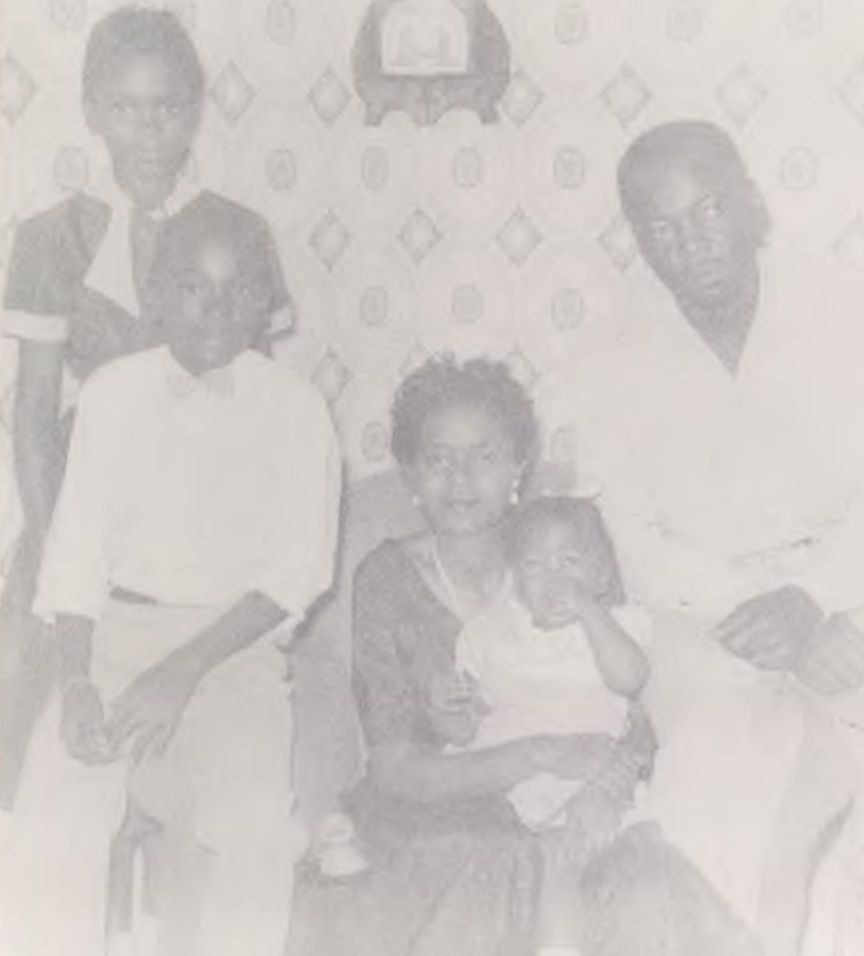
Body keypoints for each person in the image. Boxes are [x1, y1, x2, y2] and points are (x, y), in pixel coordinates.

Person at [551, 119, 864, 955]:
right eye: (660, 228)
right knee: (714, 790)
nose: (690, 244)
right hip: (704, 617)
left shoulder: (844, 306)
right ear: (637, 240)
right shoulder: (609, 352)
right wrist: (766, 616)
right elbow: (634, 539)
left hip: (855, 600)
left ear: (750, 205)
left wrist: (813, 603)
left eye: (708, 211)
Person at [296, 355, 759, 956]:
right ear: (409, 473)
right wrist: (537, 753)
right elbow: (395, 766)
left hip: (578, 795)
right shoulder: (386, 577)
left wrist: (605, 788)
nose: (461, 478)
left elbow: (629, 700)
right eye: (438, 459)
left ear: (519, 465)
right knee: (497, 863)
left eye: (484, 456)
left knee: (653, 887)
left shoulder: (567, 552)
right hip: (437, 814)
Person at [0, 194, 341, 956]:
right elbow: (75, 554)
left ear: (266, 301)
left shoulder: (295, 410)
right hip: (112, 639)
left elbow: (295, 573)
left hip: (234, 650)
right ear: (153, 294)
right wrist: (77, 680)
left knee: (255, 825)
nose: (214, 310)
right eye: (191, 286)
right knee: (51, 815)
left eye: (237, 290)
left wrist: (179, 674)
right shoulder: (112, 395)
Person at [0, 5, 295, 811]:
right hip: (82, 500)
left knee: (210, 713)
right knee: (33, 693)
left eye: (167, 106)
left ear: (194, 109)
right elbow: (33, 417)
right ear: (92, 112)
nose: (149, 130)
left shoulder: (236, 232)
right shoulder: (50, 237)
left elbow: (259, 404)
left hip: (200, 501)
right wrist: (50, 543)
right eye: (126, 108)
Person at [452, 495, 653, 956]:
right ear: (515, 578)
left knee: (561, 868)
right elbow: (466, 724)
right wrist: (449, 704)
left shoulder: (620, 626)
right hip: (502, 783)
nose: (553, 578)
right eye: (534, 565)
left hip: (583, 782)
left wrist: (591, 611)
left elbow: (629, 679)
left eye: (569, 562)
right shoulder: (489, 633)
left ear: (601, 576)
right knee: (489, 873)